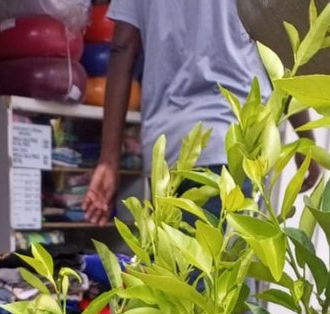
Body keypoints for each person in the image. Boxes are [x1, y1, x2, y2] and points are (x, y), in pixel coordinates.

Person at [83, 1, 305, 224]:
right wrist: (304, 135)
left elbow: (122, 47)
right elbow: (277, 46)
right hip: (235, 138)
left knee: (174, 256)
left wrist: (108, 160)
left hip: (167, 146)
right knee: (222, 256)